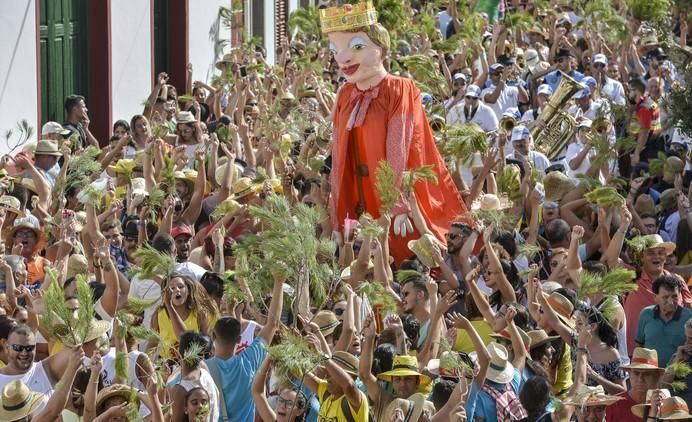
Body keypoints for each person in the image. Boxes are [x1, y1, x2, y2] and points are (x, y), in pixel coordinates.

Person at [322, 1, 467, 264]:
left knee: (398, 253)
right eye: (335, 50)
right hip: (356, 189)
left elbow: (400, 145)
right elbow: (339, 151)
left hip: (387, 189)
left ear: (381, 47)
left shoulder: (400, 88)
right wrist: (336, 210)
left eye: (356, 47)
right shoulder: (345, 93)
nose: (342, 58)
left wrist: (397, 201)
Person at [635, 275, 692, 366]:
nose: (670, 302)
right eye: (665, 297)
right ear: (655, 297)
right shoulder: (646, 314)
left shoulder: (689, 317)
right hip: (650, 374)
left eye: (675, 297)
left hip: (678, 375)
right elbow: (639, 345)